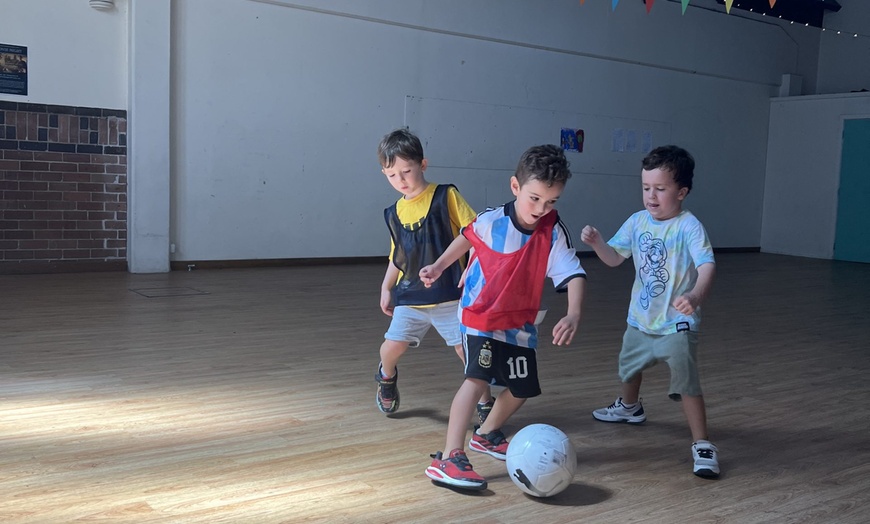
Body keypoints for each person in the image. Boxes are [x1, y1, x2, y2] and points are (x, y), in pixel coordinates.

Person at [419, 144, 587, 490]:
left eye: (551, 201)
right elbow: (466, 240)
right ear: (516, 187)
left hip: (520, 323)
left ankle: (486, 434)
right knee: (477, 380)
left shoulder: (553, 232)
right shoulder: (491, 220)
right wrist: (438, 266)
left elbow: (573, 272)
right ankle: (450, 457)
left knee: (522, 388)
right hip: (479, 314)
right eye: (534, 198)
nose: (541, 209)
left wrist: (573, 313)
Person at [580, 145, 719, 479]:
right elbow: (615, 258)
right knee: (629, 366)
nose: (651, 196)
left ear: (682, 192)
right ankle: (630, 407)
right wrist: (598, 243)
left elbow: (707, 265)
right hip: (640, 319)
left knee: (686, 380)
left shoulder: (689, 226)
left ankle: (702, 443)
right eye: (646, 188)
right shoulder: (637, 221)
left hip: (677, 323)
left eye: (660, 189)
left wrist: (696, 295)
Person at [374, 128, 494, 420]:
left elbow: (475, 231)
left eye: (407, 171)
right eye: (392, 175)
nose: (400, 180)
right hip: (411, 297)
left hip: (451, 295)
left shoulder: (446, 196)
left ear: (423, 165)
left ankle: (485, 403)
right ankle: (386, 378)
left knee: (468, 353)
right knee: (392, 347)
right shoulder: (394, 212)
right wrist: (386, 286)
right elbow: (397, 255)